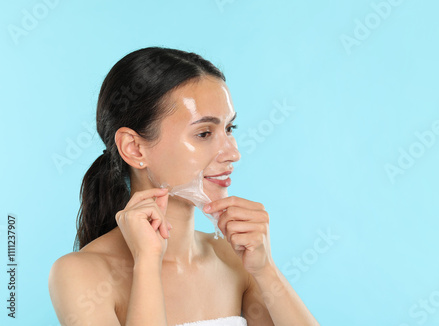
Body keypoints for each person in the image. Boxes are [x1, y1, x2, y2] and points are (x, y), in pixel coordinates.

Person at [48, 47, 319, 326]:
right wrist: (147, 265)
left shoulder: (234, 259)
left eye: (229, 129)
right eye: (204, 133)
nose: (233, 153)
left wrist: (266, 270)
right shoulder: (80, 274)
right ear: (135, 149)